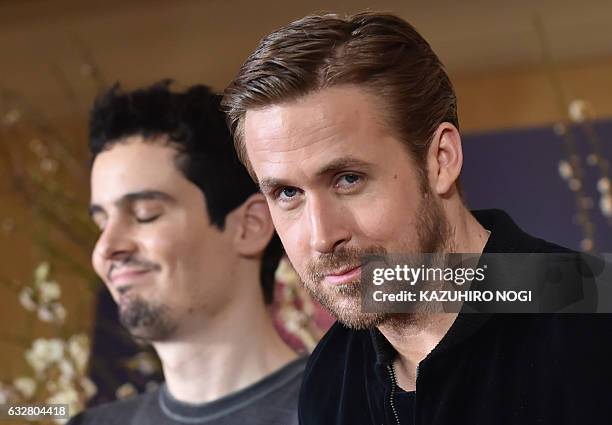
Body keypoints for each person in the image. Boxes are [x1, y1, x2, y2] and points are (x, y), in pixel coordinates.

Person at [222, 12, 612, 425]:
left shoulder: (593, 315)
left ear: (441, 160)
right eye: (287, 193)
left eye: (348, 179)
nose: (322, 236)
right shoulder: (330, 377)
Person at [70, 81, 305, 424]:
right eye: (101, 222)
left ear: (250, 226)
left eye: (145, 214)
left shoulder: (346, 410)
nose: (106, 248)